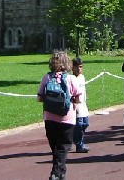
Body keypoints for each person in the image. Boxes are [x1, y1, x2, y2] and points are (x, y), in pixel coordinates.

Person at [37, 51, 82, 180]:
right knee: (63, 147)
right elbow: (78, 98)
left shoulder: (47, 78)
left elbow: (39, 98)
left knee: (55, 147)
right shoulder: (71, 79)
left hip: (50, 117)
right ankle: (56, 173)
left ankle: (60, 172)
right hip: (67, 118)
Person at [71, 57, 90, 153]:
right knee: (79, 125)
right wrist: (74, 104)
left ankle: (71, 138)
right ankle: (79, 145)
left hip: (83, 105)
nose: (79, 69)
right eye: (77, 67)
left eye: (81, 67)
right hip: (76, 106)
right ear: (72, 68)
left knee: (86, 123)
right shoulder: (72, 79)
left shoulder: (82, 77)